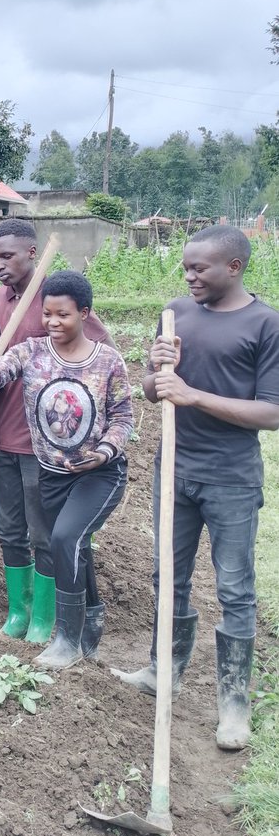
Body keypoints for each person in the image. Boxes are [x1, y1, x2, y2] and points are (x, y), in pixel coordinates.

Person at [116, 226, 279, 750]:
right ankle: (163, 671)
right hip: (174, 469)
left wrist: (192, 394)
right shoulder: (175, 312)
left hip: (231, 476)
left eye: (199, 269)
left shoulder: (265, 324)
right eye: (185, 268)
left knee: (234, 588)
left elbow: (271, 413)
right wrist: (159, 370)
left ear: (233, 267)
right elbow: (150, 390)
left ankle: (233, 705)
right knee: (169, 577)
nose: (188, 276)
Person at [0, 271, 133, 668]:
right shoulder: (31, 351)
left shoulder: (107, 360)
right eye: (47, 314)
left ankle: (67, 638)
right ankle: (91, 620)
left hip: (97, 473)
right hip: (52, 473)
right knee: (75, 545)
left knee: (62, 538)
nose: (53, 322)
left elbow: (123, 416)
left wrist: (105, 451)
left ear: (84, 313)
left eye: (63, 315)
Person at [0, 218, 112, 644]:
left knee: (44, 531)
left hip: (47, 441)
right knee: (7, 527)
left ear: (31, 253)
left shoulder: (56, 300)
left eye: (7, 256)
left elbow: (100, 358)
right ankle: (18, 610)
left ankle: (45, 616)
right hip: (1, 431)